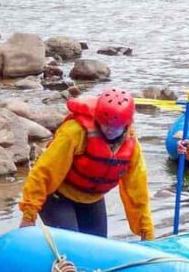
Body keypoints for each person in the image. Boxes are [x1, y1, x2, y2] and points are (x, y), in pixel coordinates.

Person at [19, 88, 153, 240]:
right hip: (58, 196)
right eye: (105, 125)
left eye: (115, 128)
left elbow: (137, 191)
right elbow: (43, 172)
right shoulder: (74, 132)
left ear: (126, 125)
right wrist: (29, 216)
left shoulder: (132, 145)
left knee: (97, 247)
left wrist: (146, 232)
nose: (109, 131)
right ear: (98, 119)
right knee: (71, 245)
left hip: (92, 199)